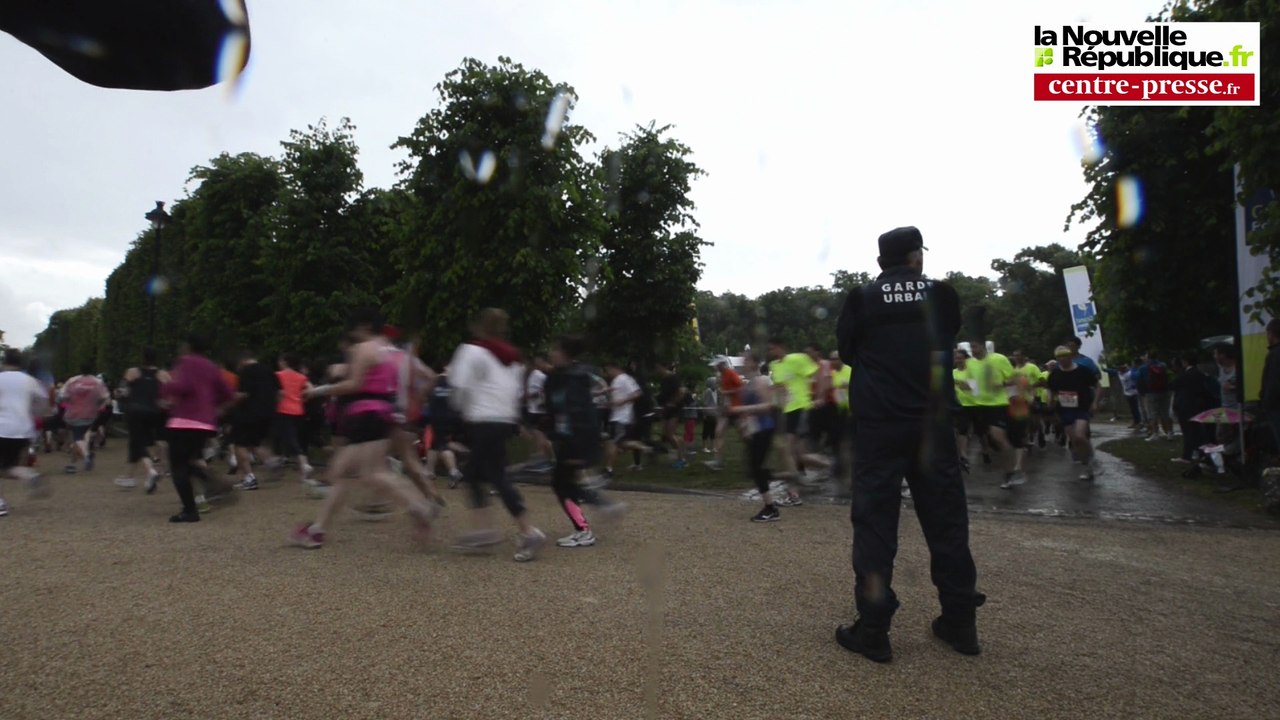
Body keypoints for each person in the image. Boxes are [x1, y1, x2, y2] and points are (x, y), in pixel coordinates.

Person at [834, 225, 983, 663]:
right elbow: (945, 336)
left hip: (879, 424)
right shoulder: (941, 293)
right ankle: (960, 622)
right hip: (932, 423)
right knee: (947, 522)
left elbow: (846, 352)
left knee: (876, 525)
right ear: (916, 256)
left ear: (882, 262)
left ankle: (874, 629)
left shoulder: (861, 297)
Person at [290, 309, 440, 549]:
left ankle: (420, 507)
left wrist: (318, 391)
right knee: (341, 471)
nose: (353, 333)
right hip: (380, 413)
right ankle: (317, 529)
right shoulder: (389, 350)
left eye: (356, 328)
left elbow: (354, 384)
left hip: (366, 414)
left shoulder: (365, 348)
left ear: (365, 327)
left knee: (371, 473)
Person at [447, 308, 546, 561]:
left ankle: (527, 530)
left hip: (482, 419)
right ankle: (483, 530)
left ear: (480, 326)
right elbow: (514, 392)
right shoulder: (513, 358)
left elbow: (458, 385)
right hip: (502, 420)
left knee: (494, 477)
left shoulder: (471, 351)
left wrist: (458, 410)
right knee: (477, 475)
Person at [544, 335, 625, 548]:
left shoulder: (573, 377)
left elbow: (580, 413)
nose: (551, 353)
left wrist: (577, 449)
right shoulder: (563, 375)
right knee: (564, 484)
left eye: (554, 349)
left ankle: (587, 524)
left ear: (564, 353)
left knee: (561, 485)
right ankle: (598, 508)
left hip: (574, 441)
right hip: (569, 439)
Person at [160, 335, 238, 522]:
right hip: (205, 422)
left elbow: (182, 386)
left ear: (189, 346)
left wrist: (165, 383)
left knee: (178, 465)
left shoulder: (186, 362)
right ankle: (213, 482)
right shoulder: (211, 366)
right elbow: (228, 393)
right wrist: (215, 408)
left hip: (183, 420)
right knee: (191, 461)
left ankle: (190, 509)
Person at [726, 352, 780, 522]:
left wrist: (742, 411)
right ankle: (771, 496)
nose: (744, 362)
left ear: (755, 363)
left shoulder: (762, 381)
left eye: (747, 360)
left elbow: (769, 405)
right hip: (755, 429)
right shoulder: (748, 384)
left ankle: (770, 507)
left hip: (765, 428)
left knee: (756, 466)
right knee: (754, 466)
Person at [962, 339, 1021, 488]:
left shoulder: (998, 359)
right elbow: (972, 385)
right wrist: (963, 386)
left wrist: (1000, 385)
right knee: (990, 442)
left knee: (998, 437)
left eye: (975, 347)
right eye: (971, 348)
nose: (973, 350)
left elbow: (1014, 379)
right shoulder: (970, 363)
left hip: (997, 405)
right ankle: (1009, 469)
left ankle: (1012, 473)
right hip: (978, 406)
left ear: (982, 346)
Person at [0, 349, 51, 516]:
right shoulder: (30, 381)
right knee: (10, 466)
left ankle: (1, 503)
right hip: (23, 428)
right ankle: (31, 476)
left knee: (6, 467)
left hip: (2, 427)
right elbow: (43, 403)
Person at [114, 348, 170, 491]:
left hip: (136, 410)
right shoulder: (163, 374)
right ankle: (129, 477)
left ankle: (150, 471)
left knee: (138, 442)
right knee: (138, 442)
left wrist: (119, 395)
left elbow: (122, 390)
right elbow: (170, 392)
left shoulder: (133, 372)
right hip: (155, 411)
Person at [230, 350, 282, 491]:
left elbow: (243, 394)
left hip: (248, 413)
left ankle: (249, 478)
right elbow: (280, 393)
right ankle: (271, 461)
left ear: (242, 361)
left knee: (239, 444)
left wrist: (230, 401)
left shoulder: (246, 371)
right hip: (269, 413)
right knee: (256, 442)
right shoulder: (269, 370)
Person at [1047, 346, 1101, 480]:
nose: (1062, 359)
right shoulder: (1055, 373)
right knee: (1075, 442)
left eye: (1065, 356)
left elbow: (1098, 386)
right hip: (1065, 410)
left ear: (1070, 356)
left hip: (1082, 408)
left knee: (1080, 436)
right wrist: (1051, 401)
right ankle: (1087, 467)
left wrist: (1095, 402)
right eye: (1059, 357)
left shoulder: (1082, 371)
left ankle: (1093, 461)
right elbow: (1051, 390)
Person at [59, 363, 109, 474]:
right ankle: (74, 462)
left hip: (74, 413)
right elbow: (104, 396)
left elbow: (63, 396)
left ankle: (86, 456)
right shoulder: (97, 382)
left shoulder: (72, 381)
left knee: (77, 437)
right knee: (82, 437)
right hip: (91, 414)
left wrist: (69, 402)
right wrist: (96, 404)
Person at [603, 360, 651, 476]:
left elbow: (637, 393)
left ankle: (609, 469)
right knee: (616, 443)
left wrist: (622, 402)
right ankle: (646, 448)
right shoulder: (616, 380)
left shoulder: (624, 379)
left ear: (613, 368)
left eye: (607, 370)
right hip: (616, 417)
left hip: (622, 417)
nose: (607, 373)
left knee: (616, 443)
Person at [274, 354, 315, 481]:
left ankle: (304, 464)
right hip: (298, 410)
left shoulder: (278, 375)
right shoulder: (301, 376)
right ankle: (301, 464)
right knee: (294, 437)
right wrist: (303, 398)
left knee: (290, 439)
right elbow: (311, 389)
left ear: (285, 362)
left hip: (283, 410)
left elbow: (276, 392)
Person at [1170, 353, 1217, 464]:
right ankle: (1201, 453)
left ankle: (1187, 455)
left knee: (1188, 431)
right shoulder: (1201, 374)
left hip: (1186, 406)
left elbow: (1172, 385)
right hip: (1199, 405)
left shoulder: (1185, 375)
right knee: (1197, 430)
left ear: (1185, 362)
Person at [1135, 351, 1174, 441]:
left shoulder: (1143, 368)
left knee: (1153, 414)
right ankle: (1170, 433)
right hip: (1165, 392)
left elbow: (1139, 381)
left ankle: (1155, 433)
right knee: (1166, 413)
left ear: (1148, 357)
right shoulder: (1163, 365)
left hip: (1151, 393)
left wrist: (1142, 393)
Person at [654, 362, 687, 468]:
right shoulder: (663, 379)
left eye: (657, 368)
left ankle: (682, 460)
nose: (656, 371)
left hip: (675, 409)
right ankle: (680, 451)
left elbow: (682, 391)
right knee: (666, 434)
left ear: (663, 367)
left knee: (670, 434)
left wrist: (673, 403)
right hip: (667, 409)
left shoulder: (673, 377)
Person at [1261, 320, 1280, 452]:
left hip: (1275, 405)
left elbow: (1272, 382)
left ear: (1271, 334)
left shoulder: (1274, 355)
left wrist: (1266, 403)